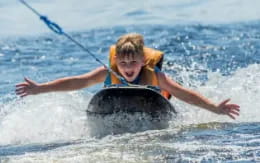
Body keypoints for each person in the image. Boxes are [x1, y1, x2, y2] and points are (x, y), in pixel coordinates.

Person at [16, 33, 240, 119]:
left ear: (142, 61)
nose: (128, 67)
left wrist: (215, 108)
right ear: (117, 62)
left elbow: (184, 94)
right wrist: (39, 88)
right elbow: (78, 81)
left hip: (154, 99)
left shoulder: (155, 76)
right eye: (122, 63)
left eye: (133, 62)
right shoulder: (109, 72)